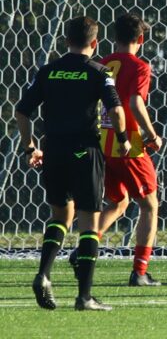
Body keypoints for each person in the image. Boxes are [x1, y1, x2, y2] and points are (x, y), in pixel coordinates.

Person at [15, 16, 131, 311]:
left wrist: (30, 147)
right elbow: (116, 110)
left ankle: (43, 274)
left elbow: (22, 112)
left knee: (60, 217)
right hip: (85, 150)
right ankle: (84, 297)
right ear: (95, 43)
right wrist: (122, 138)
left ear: (66, 41)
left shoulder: (49, 71)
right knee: (89, 223)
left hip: (53, 149)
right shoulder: (99, 71)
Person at [69, 13, 163, 286]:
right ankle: (140, 271)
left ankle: (82, 250)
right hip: (128, 142)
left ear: (113, 37)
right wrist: (152, 134)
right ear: (141, 39)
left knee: (119, 202)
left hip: (101, 141)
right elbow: (135, 103)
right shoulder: (140, 67)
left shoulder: (103, 62)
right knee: (149, 205)